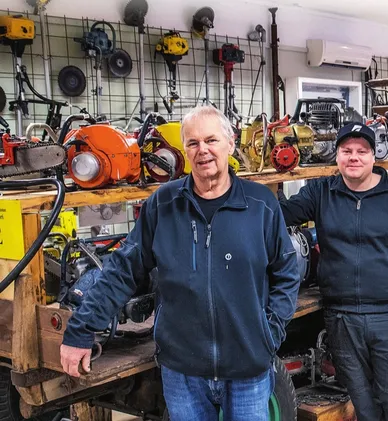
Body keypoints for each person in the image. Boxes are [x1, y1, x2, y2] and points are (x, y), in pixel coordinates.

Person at [59, 106, 300, 421]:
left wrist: (270, 333)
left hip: (247, 367)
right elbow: (122, 270)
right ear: (185, 150)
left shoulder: (260, 204)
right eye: (193, 143)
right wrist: (81, 329)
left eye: (211, 140)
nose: (203, 150)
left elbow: (286, 272)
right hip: (183, 372)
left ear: (230, 144)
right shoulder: (163, 204)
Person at [279, 122, 388, 421]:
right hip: (342, 319)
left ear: (373, 156)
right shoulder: (321, 192)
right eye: (347, 151)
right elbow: (280, 214)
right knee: (363, 404)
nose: (354, 157)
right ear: (337, 156)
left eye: (362, 151)